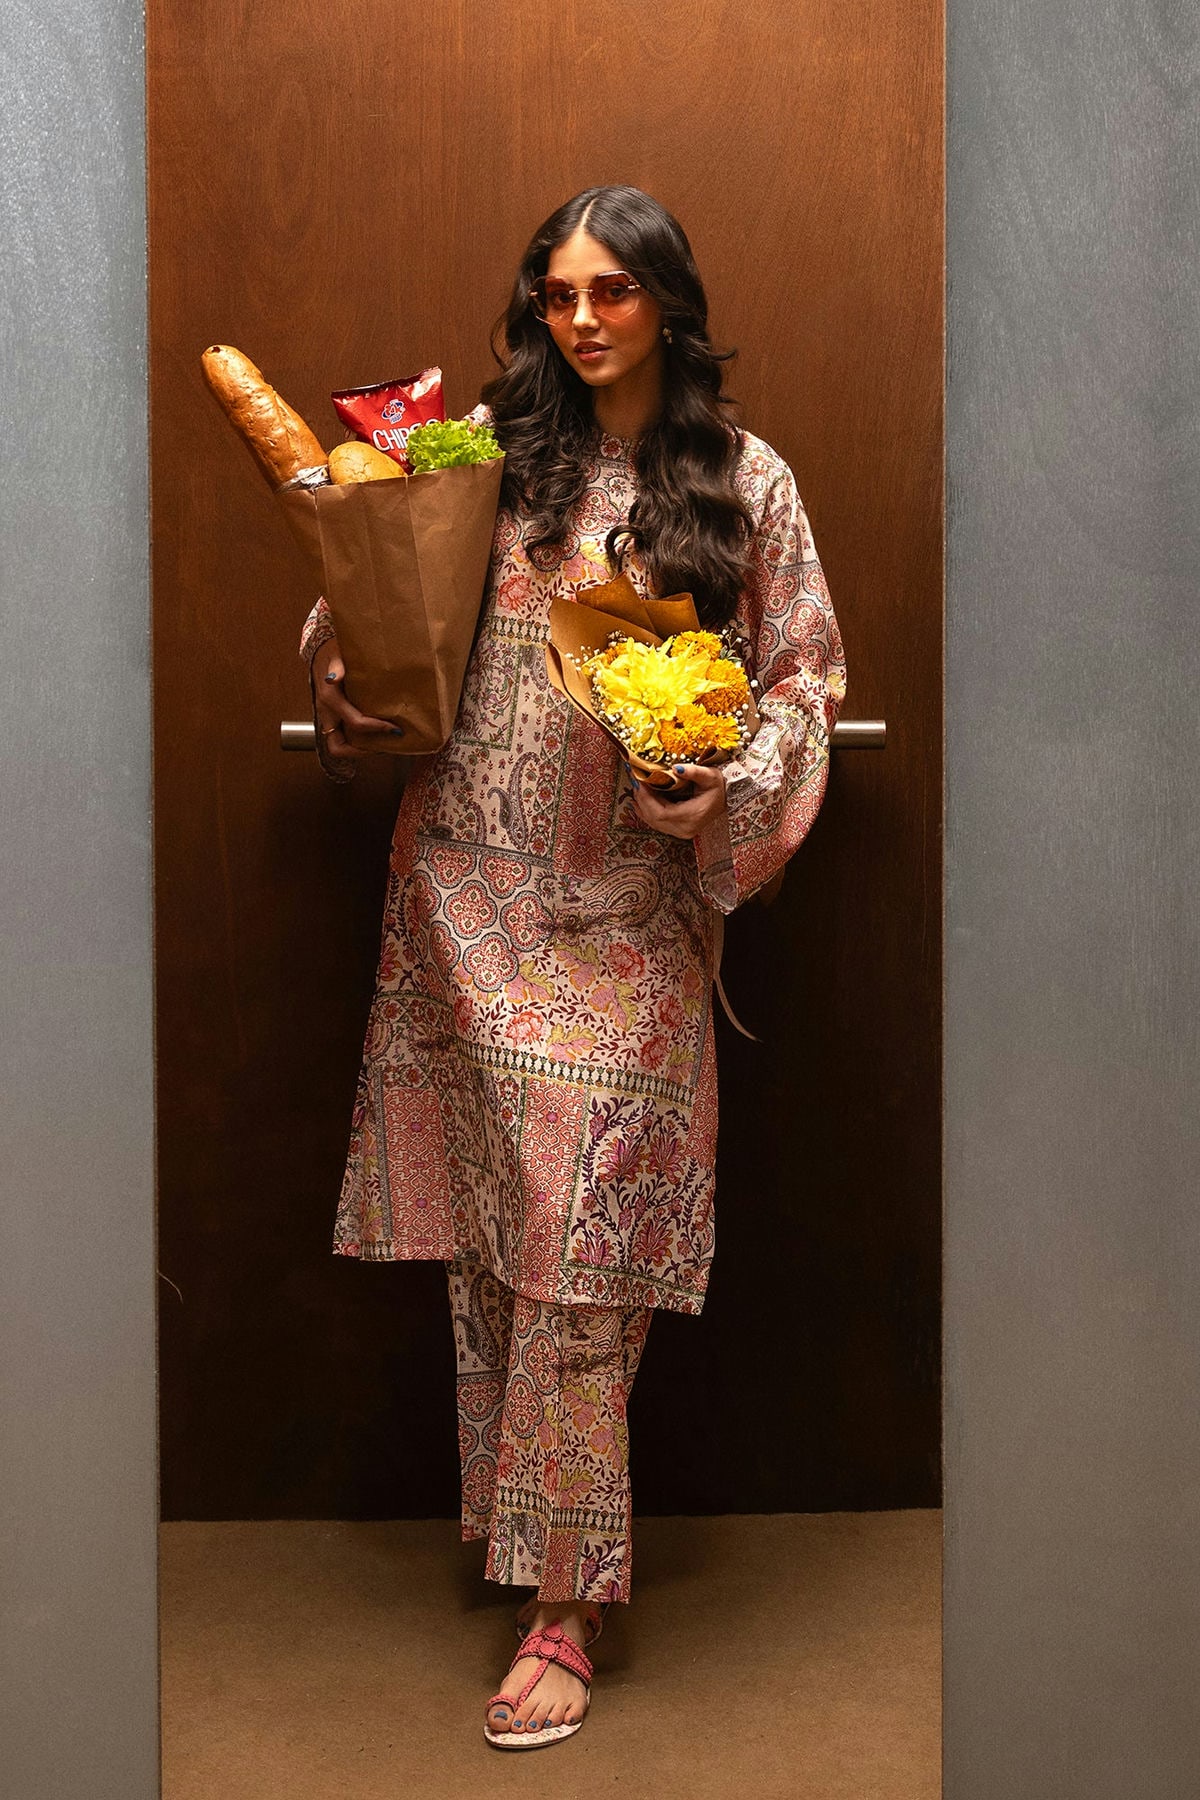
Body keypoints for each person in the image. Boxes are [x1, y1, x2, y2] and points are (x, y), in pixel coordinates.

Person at [301, 185, 846, 1750]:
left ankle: (564, 1601)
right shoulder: (484, 455)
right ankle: (533, 1539)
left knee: (578, 1243)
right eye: (558, 292)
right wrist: (343, 677)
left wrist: (725, 783)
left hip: (632, 918)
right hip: (468, 896)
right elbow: (365, 601)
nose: (584, 318)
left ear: (667, 300)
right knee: (504, 1253)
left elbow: (807, 680)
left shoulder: (743, 480)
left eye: (613, 289)